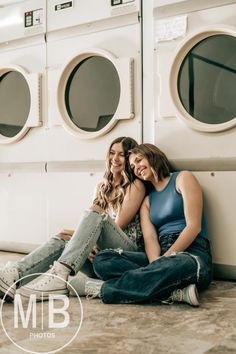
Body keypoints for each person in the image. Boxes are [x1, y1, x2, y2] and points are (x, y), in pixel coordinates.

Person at [0, 137, 146, 302]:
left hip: (127, 254)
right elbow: (91, 227)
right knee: (62, 239)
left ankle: (59, 277)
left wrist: (85, 240)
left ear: (129, 159)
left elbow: (116, 225)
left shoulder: (135, 186)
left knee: (93, 213)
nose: (115, 158)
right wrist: (73, 236)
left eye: (121, 155)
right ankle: (13, 277)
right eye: (112, 153)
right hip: (102, 257)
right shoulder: (102, 186)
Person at [71, 143, 213, 307]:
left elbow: (194, 227)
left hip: (191, 252)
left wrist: (165, 259)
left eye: (139, 160)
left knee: (173, 265)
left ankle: (101, 289)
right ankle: (172, 292)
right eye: (132, 166)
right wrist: (156, 263)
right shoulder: (147, 200)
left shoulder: (183, 178)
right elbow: (150, 238)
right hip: (160, 252)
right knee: (102, 260)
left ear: (153, 155)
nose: (136, 167)